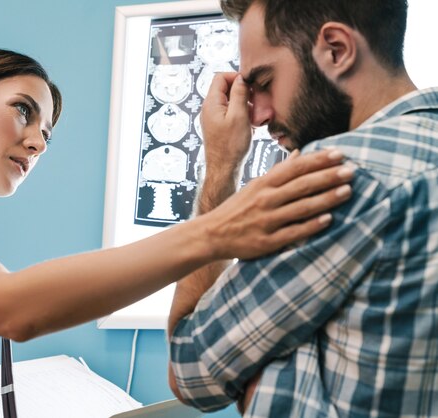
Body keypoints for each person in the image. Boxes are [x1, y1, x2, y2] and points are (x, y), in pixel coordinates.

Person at [0, 46, 352, 417]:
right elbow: (16, 308)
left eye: (46, 133)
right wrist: (219, 233)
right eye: (23, 112)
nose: (37, 143)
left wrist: (220, 173)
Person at [168, 0, 438, 417]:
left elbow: (190, 370)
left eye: (264, 80)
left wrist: (220, 168)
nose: (255, 115)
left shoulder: (342, 177)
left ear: (336, 49)